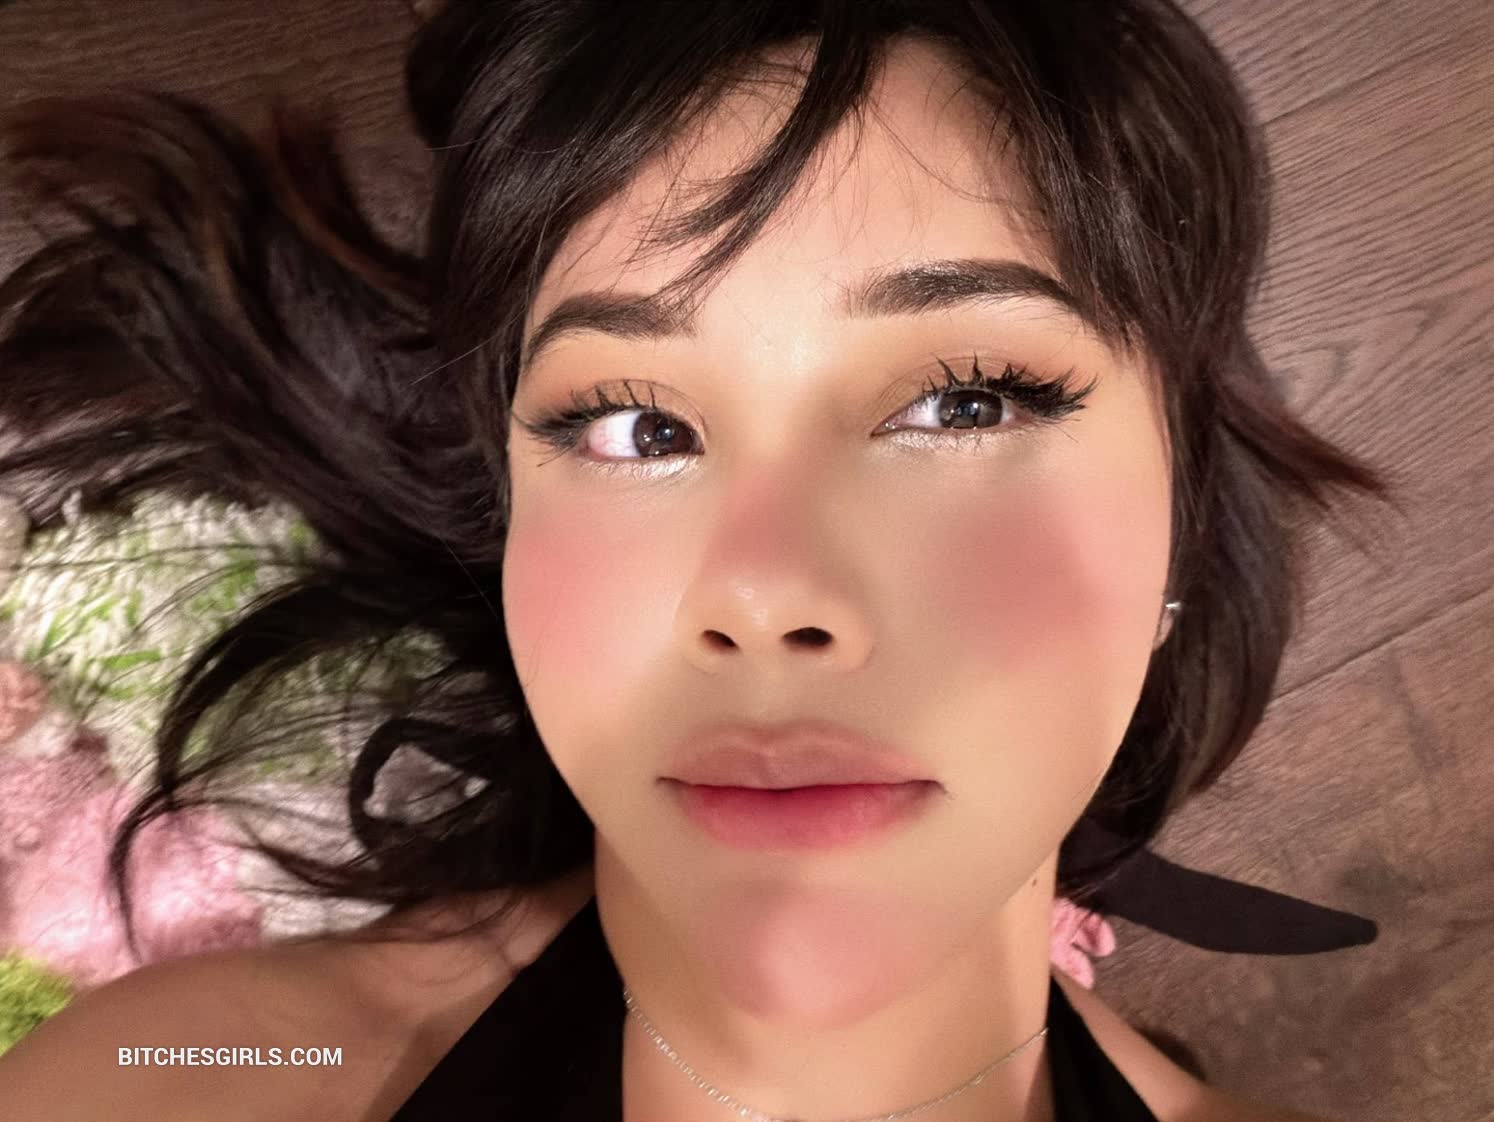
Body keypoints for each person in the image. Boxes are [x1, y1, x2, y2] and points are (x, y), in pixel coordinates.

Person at [0, 1, 1390, 1119]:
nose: (763, 594)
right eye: (636, 426)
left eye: (964, 404)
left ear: (1179, 520)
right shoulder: (207, 1077)